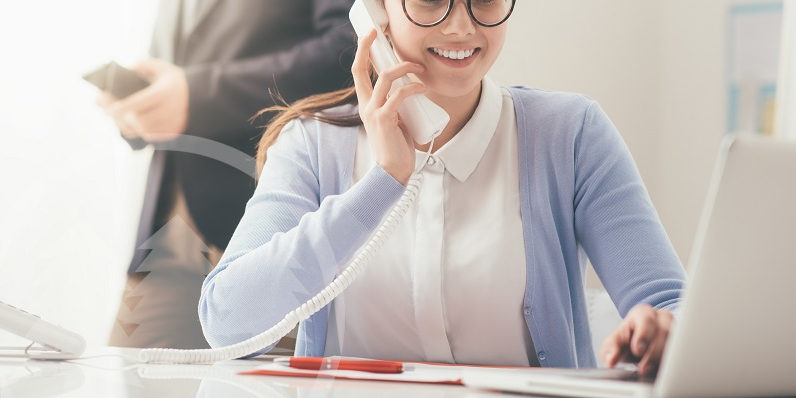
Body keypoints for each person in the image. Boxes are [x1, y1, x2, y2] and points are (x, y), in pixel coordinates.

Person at [198, 0, 686, 377]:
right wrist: (383, 183)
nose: (460, 27)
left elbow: (672, 305)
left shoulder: (571, 135)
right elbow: (229, 324)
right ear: (376, 12)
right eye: (430, 0)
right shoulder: (311, 144)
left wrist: (666, 330)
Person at [99, 0, 357, 350]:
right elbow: (174, 72)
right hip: (164, 237)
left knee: (268, 378)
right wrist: (139, 110)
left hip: (263, 229)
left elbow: (346, 49)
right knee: (122, 372)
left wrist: (198, 98)